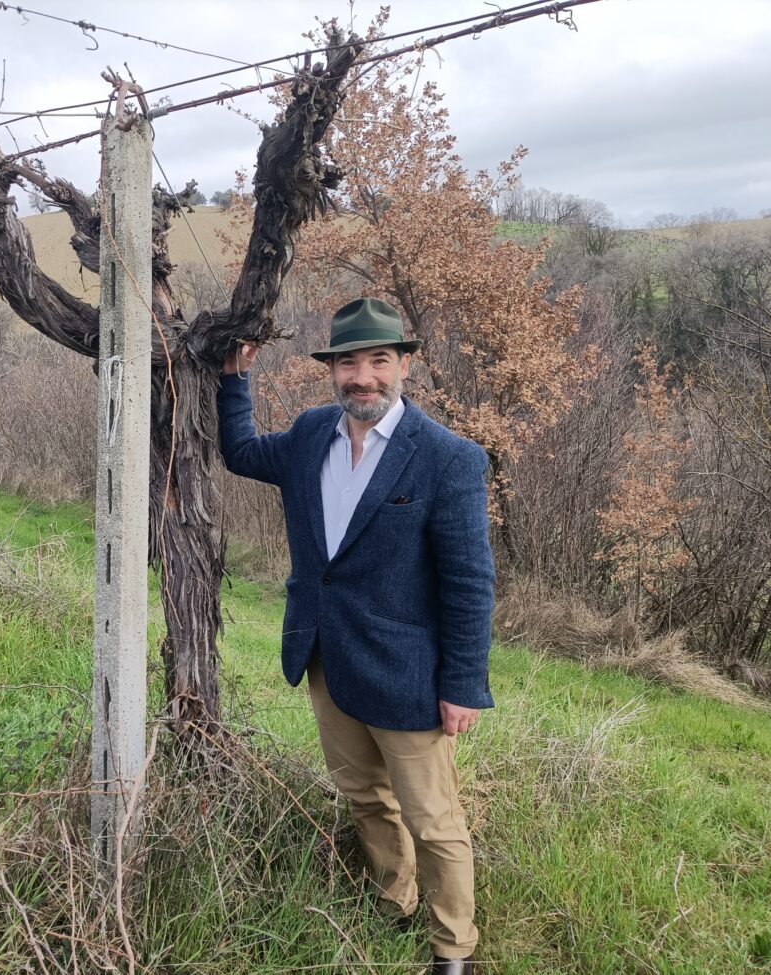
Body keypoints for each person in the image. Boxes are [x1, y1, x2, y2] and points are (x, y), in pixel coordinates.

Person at [217, 297, 495, 974]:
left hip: (409, 674)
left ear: (403, 364)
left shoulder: (447, 459)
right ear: (332, 370)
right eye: (348, 362)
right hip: (327, 658)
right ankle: (393, 900)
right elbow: (242, 451)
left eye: (378, 360)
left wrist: (462, 684)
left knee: (433, 818)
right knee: (365, 795)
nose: (362, 376)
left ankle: (452, 947)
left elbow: (469, 583)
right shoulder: (313, 435)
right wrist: (233, 379)